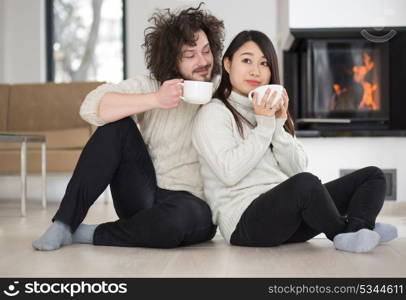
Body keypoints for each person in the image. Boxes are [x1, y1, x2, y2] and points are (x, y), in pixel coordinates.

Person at [33, 3, 225, 251]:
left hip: (191, 204)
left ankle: (91, 234)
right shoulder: (152, 86)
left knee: (176, 221)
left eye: (206, 51)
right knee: (115, 127)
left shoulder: (223, 89)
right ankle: (64, 223)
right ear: (171, 59)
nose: (203, 61)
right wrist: (155, 99)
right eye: (190, 55)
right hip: (144, 193)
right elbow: (91, 107)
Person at [192, 30, 397, 253]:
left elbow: (297, 169)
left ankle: (360, 228)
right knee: (306, 184)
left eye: (264, 63)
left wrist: (278, 126)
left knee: (372, 176)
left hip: (288, 217)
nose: (256, 70)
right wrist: (264, 127)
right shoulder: (213, 113)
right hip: (245, 223)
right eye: (247, 60)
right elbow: (229, 173)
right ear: (228, 64)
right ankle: (345, 233)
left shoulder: (270, 112)